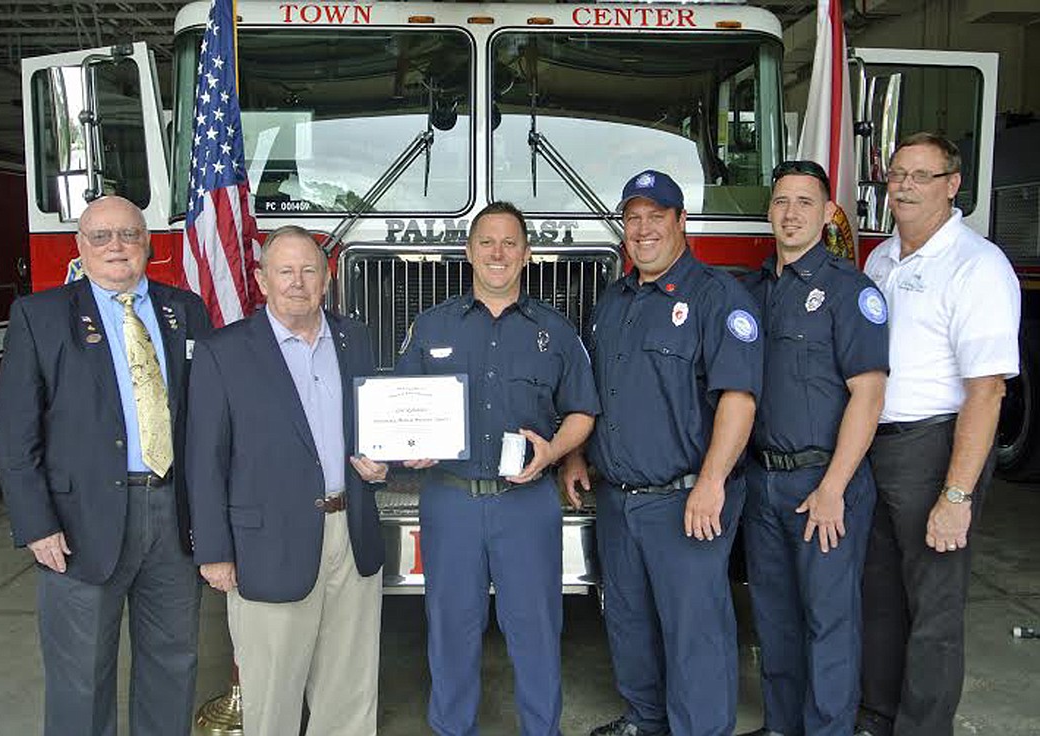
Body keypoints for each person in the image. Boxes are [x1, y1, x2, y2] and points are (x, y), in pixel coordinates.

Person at [0, 195, 213, 735]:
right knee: (81, 675)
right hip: (78, 524)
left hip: (174, 518)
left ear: (149, 244)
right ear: (80, 247)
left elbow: (210, 418)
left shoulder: (185, 310)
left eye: (129, 235)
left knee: (172, 662)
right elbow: (15, 432)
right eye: (101, 236)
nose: (116, 246)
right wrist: (36, 523)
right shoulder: (40, 316)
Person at [562, 170, 763, 736]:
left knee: (694, 630)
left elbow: (738, 400)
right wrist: (577, 455)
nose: (643, 228)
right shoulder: (613, 299)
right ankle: (645, 721)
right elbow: (596, 393)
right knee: (628, 621)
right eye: (633, 217)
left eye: (656, 216)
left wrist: (712, 483)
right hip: (618, 500)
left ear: (681, 222)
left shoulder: (717, 297)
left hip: (687, 501)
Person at [394, 201, 599, 736]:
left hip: (526, 504)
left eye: (510, 243)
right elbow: (399, 405)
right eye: (487, 242)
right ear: (469, 252)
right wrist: (407, 444)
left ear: (527, 255)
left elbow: (582, 411)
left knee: (535, 629)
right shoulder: (431, 325)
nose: (498, 253)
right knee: (450, 629)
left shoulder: (554, 331)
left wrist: (553, 454)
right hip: (450, 499)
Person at [186, 225, 387, 736]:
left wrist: (385, 463)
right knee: (272, 693)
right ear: (261, 279)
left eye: (308, 270)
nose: (297, 282)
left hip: (352, 531)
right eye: (285, 271)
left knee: (349, 687)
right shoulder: (223, 352)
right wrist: (214, 551)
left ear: (326, 277)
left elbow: (370, 429)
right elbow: (204, 459)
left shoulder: (354, 338)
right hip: (267, 544)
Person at [856, 132, 1020, 736]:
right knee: (879, 597)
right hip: (876, 446)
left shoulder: (978, 267)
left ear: (953, 185)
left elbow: (988, 391)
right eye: (897, 174)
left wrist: (956, 496)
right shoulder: (880, 259)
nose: (904, 186)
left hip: (935, 448)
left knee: (933, 607)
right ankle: (875, 716)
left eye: (921, 176)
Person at [739, 161, 888, 736]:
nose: (791, 213)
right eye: (781, 202)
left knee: (829, 622)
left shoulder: (851, 291)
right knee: (773, 619)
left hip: (824, 484)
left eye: (805, 202)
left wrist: (834, 489)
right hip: (763, 482)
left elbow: (868, 395)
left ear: (828, 214)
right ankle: (781, 726)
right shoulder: (753, 292)